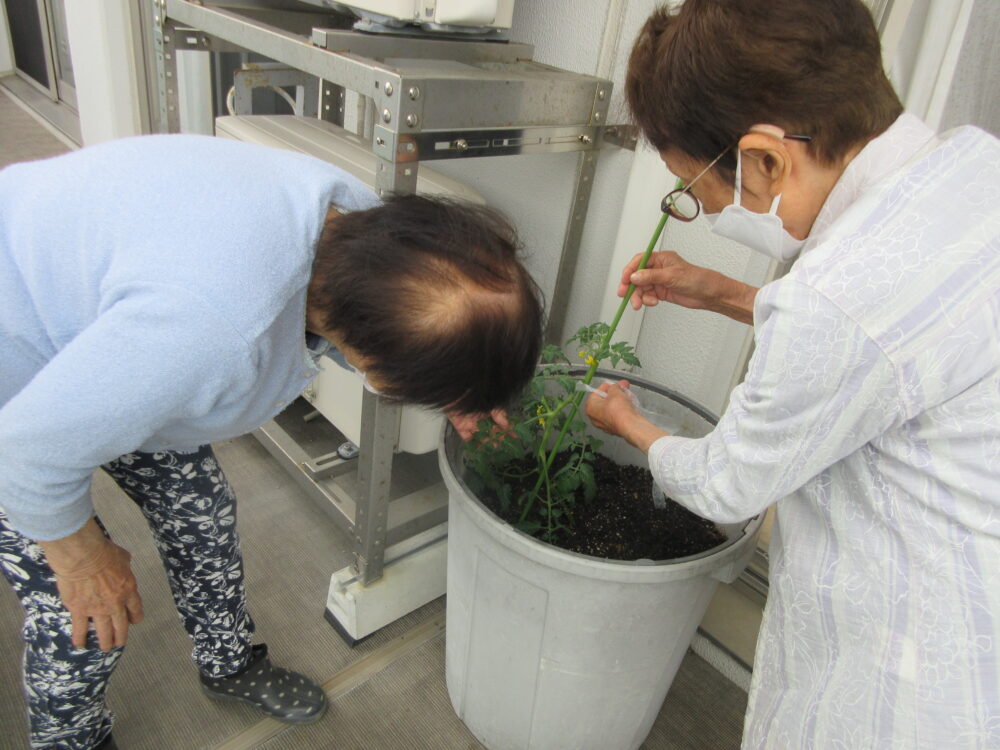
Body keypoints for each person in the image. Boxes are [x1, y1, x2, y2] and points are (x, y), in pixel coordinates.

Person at [0, 134, 543, 750]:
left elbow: (425, 312)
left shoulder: (360, 231)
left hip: (106, 329)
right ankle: (71, 739)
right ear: (376, 363)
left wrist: (460, 381)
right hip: (16, 380)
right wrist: (84, 558)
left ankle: (229, 663)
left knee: (201, 516)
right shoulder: (209, 330)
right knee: (81, 612)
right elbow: (25, 455)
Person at [586, 1, 1000, 748]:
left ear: (767, 159)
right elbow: (890, 356)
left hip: (907, 685)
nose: (708, 213)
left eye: (699, 193)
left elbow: (726, 483)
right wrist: (728, 293)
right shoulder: (973, 166)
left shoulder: (833, 300)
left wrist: (627, 423)